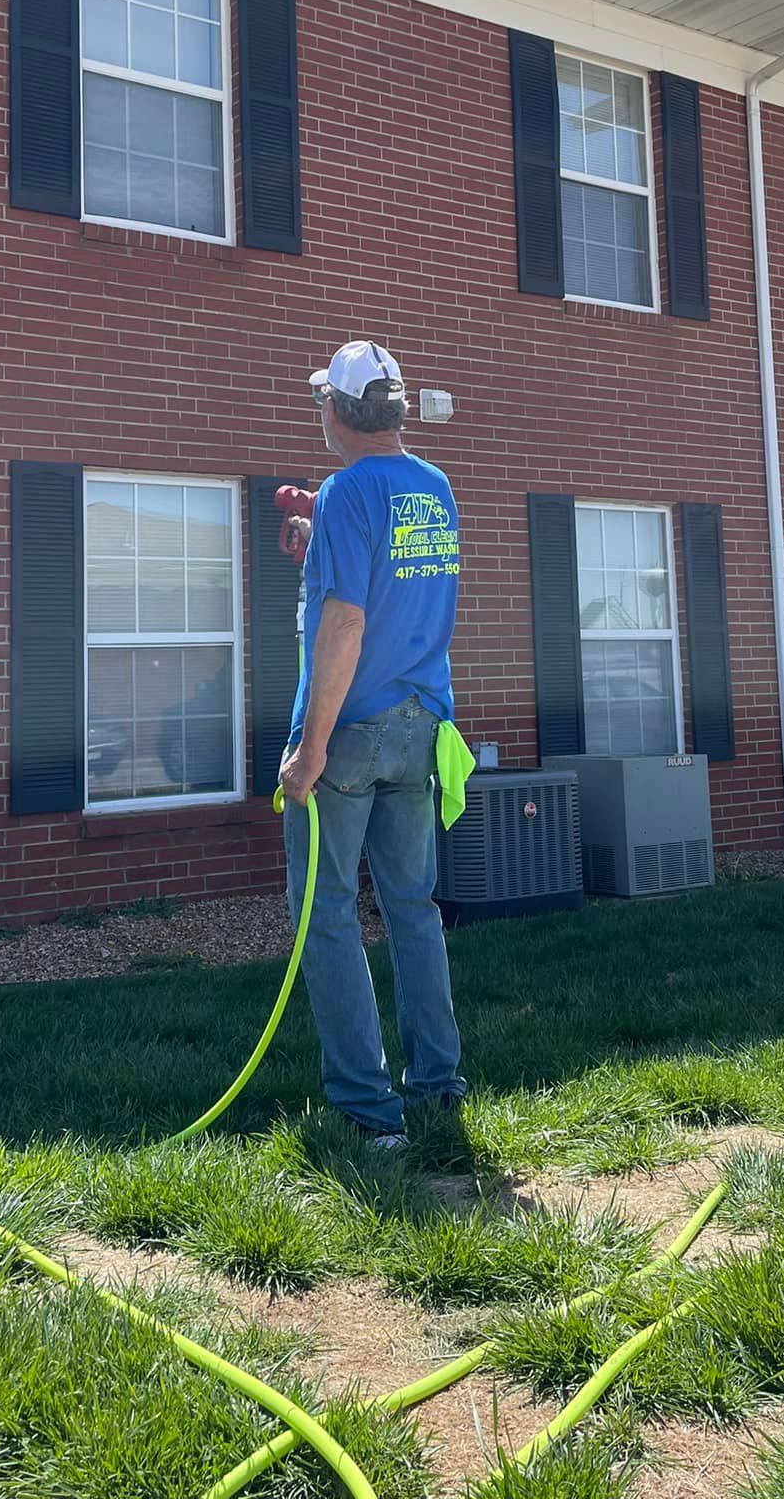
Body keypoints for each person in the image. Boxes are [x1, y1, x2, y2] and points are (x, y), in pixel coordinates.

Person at [278, 339, 467, 1148]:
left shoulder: (347, 490)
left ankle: (367, 1110)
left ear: (340, 411)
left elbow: (348, 621)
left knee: (324, 914)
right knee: (413, 909)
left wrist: (311, 746)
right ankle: (437, 1084)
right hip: (422, 728)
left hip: (350, 735)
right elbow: (398, 574)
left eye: (324, 398)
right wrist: (322, 536)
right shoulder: (434, 486)